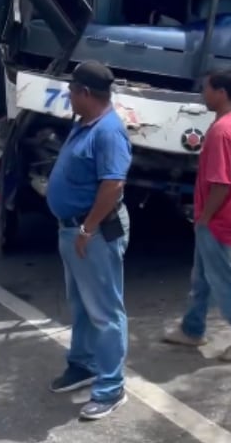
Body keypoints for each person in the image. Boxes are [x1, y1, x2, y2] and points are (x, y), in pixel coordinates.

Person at [45, 60, 134, 420]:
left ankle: (112, 388)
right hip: (74, 229)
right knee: (81, 304)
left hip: (92, 232)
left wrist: (88, 229)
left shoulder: (109, 131)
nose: (68, 94)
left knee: (105, 312)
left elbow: (113, 184)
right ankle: (82, 365)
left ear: (85, 92)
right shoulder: (85, 123)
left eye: (71, 90)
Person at [162, 68, 231, 362]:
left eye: (206, 89)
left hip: (217, 221)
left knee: (226, 282)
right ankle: (192, 330)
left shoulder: (222, 131)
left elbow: (221, 183)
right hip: (221, 217)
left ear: (221, 92)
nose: (202, 94)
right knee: (202, 279)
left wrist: (205, 217)